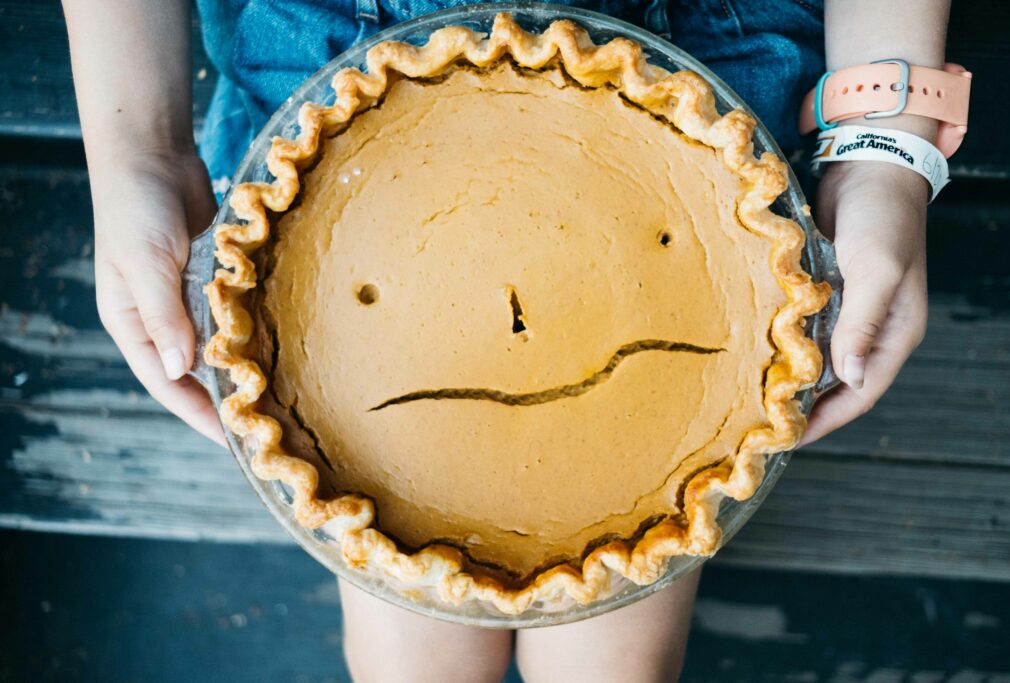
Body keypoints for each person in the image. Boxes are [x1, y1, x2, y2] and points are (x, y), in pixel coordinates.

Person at [63, 1, 947, 680]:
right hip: (324, 104)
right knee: (411, 647)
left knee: (616, 658)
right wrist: (137, 148)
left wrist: (885, 154)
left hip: (700, 92)